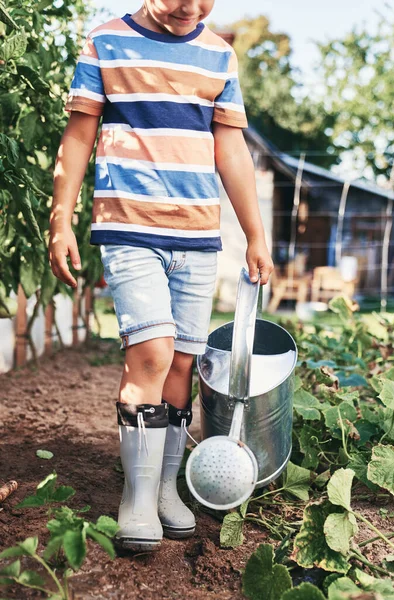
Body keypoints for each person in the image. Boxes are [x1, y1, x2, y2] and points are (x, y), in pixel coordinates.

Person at [49, 0, 273, 551]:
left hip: (197, 236)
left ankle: (165, 488)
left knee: (181, 364)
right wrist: (61, 221)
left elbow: (230, 148)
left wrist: (256, 233)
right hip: (128, 227)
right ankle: (138, 495)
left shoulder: (218, 55)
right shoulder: (106, 42)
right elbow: (79, 135)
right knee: (150, 353)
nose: (189, 7)